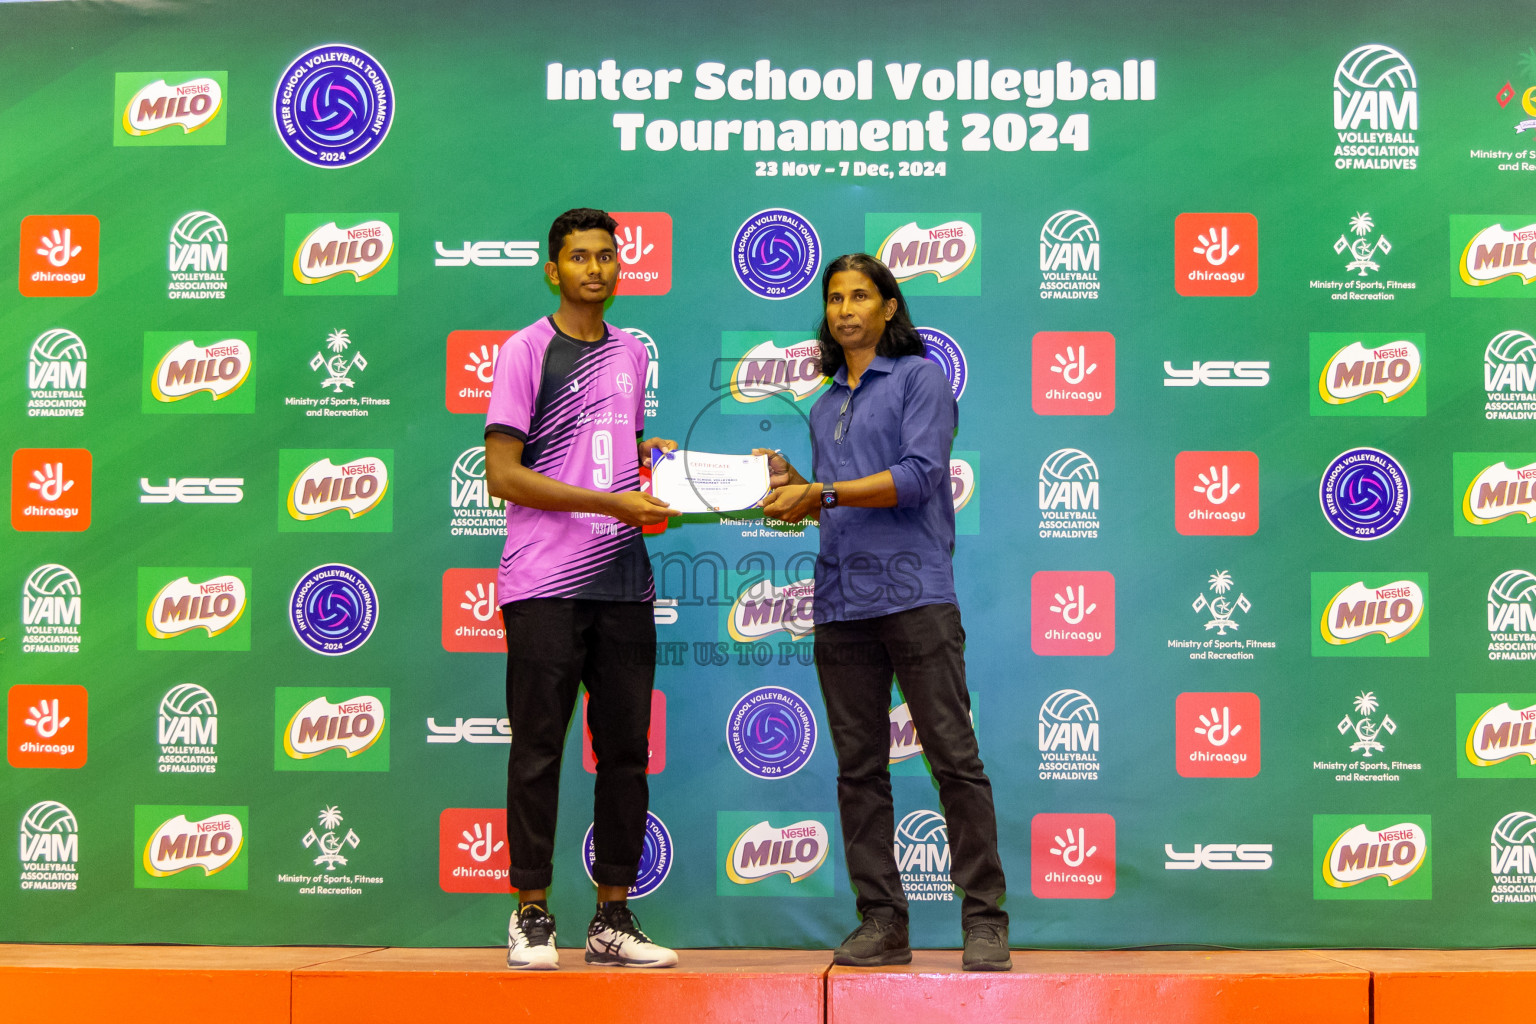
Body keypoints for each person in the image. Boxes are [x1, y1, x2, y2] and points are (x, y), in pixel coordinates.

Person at [759, 252, 1011, 972]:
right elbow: (832, 500)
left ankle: (985, 920)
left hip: (918, 597)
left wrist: (823, 495)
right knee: (858, 770)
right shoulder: (823, 404)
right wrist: (793, 487)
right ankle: (882, 921)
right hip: (841, 603)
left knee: (954, 762)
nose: (844, 310)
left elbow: (919, 477)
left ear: (889, 307)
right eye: (834, 298)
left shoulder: (920, 378)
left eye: (860, 296)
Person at [483, 207, 680, 970]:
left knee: (625, 753)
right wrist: (611, 501)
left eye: (606, 256)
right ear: (552, 269)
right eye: (578, 257)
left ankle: (612, 917)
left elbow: (608, 450)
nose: (594, 268)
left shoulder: (630, 354)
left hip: (623, 582)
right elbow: (505, 474)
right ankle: (531, 913)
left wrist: (646, 455)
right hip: (543, 584)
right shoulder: (526, 350)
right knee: (538, 747)